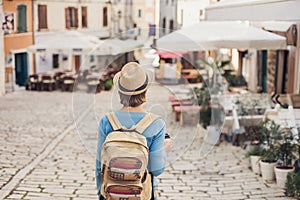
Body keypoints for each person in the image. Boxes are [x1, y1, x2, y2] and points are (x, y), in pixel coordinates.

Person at [96, 62, 169, 200]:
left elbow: (99, 166)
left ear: (119, 91)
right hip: (142, 193)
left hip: (111, 193)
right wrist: (164, 147)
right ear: (145, 91)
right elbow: (157, 169)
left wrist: (102, 194)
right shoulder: (156, 124)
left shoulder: (106, 121)